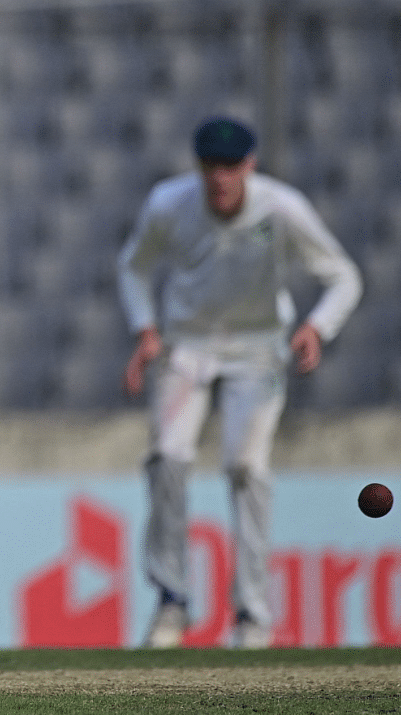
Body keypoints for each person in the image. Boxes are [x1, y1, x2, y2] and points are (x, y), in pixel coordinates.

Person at [117, 116, 362, 650]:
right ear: (199, 167)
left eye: (231, 167)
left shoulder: (281, 207)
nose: (220, 179)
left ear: (249, 166)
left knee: (247, 468)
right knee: (167, 458)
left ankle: (252, 615)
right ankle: (172, 601)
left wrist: (317, 327)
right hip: (187, 345)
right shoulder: (168, 203)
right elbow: (133, 267)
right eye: (211, 167)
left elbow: (344, 276)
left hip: (257, 349)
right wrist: (145, 328)